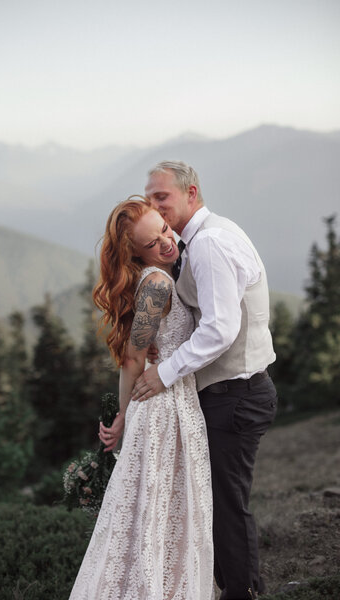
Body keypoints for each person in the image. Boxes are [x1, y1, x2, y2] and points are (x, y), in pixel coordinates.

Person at [130, 161, 278, 600]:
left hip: (236, 392)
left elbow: (220, 329)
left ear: (190, 193)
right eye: (149, 196)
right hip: (230, 392)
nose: (154, 204)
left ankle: (242, 592)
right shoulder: (194, 240)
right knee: (217, 500)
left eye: (162, 197)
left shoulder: (210, 243)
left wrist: (163, 373)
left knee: (226, 505)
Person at [69, 198, 214, 600]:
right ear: (135, 251)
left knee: (162, 511)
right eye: (153, 242)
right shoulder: (156, 283)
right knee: (157, 512)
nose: (167, 242)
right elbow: (133, 357)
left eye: (165, 230)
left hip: (175, 400)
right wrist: (125, 417)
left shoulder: (160, 276)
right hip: (163, 409)